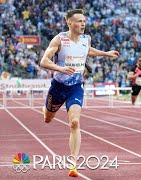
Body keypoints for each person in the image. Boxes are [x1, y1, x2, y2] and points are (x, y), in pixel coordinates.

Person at [39, 9, 119, 177]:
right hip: (58, 86)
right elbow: (44, 61)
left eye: (84, 21)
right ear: (69, 23)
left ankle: (73, 164)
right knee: (47, 119)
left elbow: (88, 50)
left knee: (74, 122)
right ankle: (46, 109)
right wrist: (61, 68)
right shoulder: (59, 39)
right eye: (79, 21)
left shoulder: (85, 39)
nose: (83, 24)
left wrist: (106, 54)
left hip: (75, 87)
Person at [127, 54, 141, 121]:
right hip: (135, 86)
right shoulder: (133, 68)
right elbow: (128, 77)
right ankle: (134, 102)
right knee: (133, 101)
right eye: (140, 61)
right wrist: (135, 75)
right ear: (138, 61)